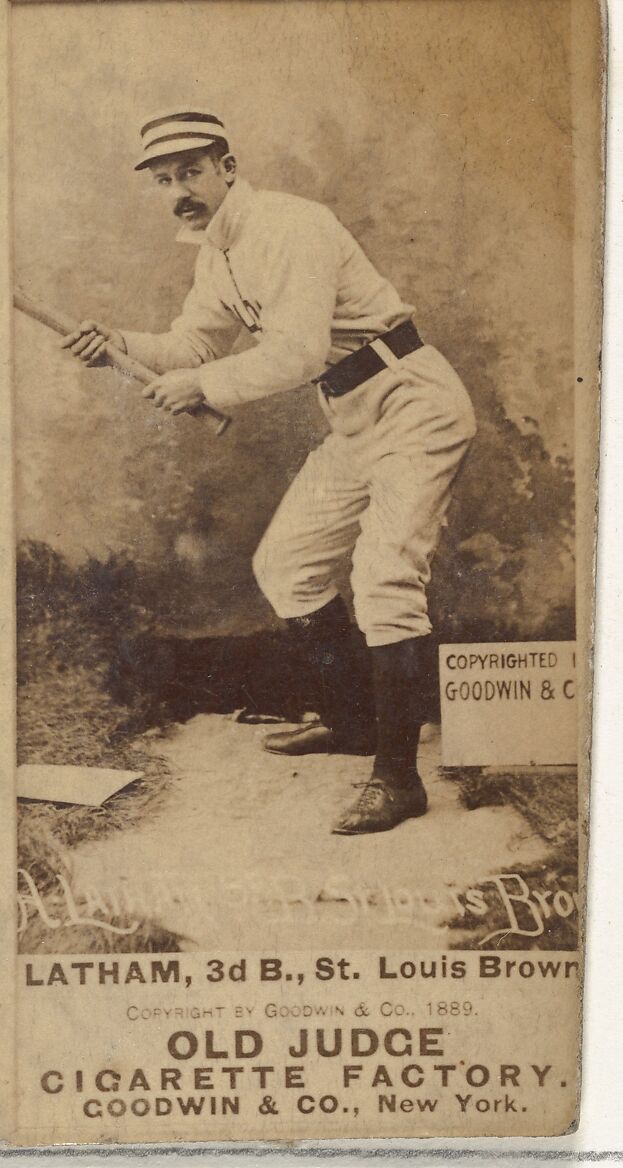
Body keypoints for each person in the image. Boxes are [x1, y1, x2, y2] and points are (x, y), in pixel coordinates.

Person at [63, 107, 477, 836]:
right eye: (164, 179)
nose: (178, 190)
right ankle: (351, 722)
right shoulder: (215, 251)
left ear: (226, 166)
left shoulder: (288, 226)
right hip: (352, 415)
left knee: (383, 578)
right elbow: (190, 340)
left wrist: (204, 387)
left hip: (413, 402)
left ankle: (397, 780)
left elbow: (294, 353)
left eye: (190, 171)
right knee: (288, 566)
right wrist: (117, 343)